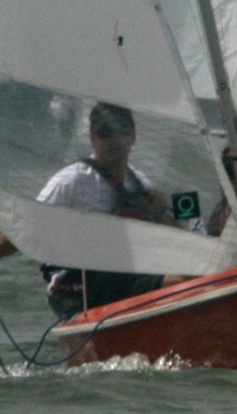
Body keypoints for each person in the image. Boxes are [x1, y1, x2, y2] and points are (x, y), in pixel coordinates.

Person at [36, 102, 186, 316]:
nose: (114, 140)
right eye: (105, 133)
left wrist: (160, 213)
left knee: (195, 272)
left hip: (122, 277)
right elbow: (25, 226)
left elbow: (174, 238)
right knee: (180, 280)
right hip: (76, 286)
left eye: (121, 132)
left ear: (133, 137)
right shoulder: (72, 180)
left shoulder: (139, 182)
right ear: (93, 139)